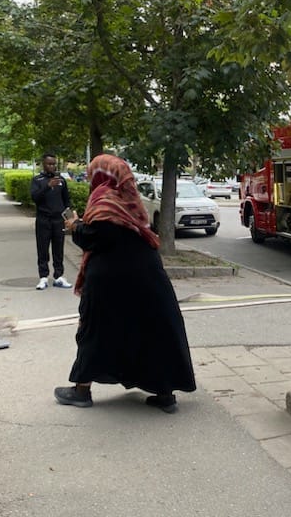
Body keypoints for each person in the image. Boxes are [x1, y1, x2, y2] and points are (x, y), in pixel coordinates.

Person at [54, 154, 196, 413]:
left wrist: (75, 226)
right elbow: (127, 231)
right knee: (154, 329)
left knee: (95, 328)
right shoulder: (131, 199)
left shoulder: (103, 197)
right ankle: (165, 393)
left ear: (100, 174)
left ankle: (81, 390)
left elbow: (98, 237)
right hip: (149, 277)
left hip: (110, 278)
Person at [30, 153, 72, 290]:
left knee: (58, 249)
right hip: (43, 220)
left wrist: (69, 217)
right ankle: (43, 277)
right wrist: (47, 186)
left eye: (54, 164)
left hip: (58, 220)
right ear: (44, 164)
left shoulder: (61, 180)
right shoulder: (38, 180)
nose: (52, 166)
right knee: (43, 248)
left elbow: (66, 200)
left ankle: (58, 276)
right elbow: (35, 197)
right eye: (49, 164)